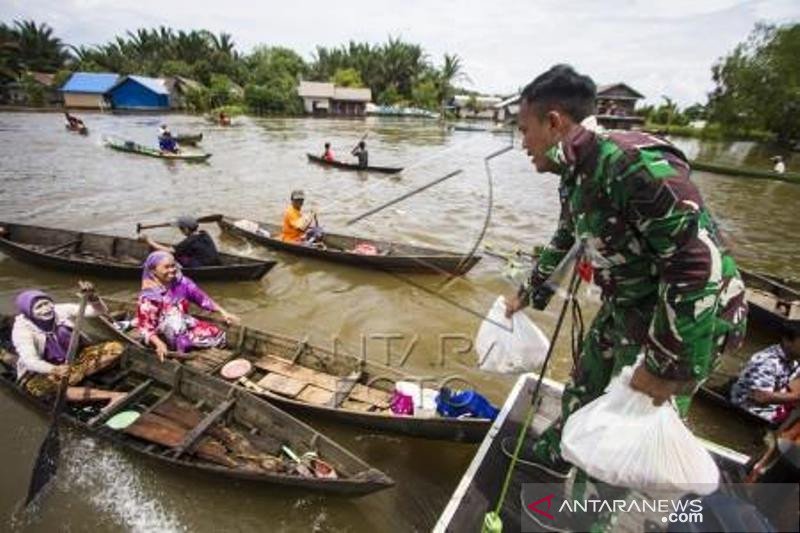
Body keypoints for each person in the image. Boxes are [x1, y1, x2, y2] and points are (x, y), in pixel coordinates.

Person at [503, 65, 747, 484]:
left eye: (524, 130)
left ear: (554, 121)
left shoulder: (631, 163)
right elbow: (567, 236)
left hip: (686, 318)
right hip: (630, 303)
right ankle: (562, 451)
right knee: (586, 381)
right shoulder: (575, 174)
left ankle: (589, 514)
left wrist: (665, 363)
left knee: (627, 433)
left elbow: (695, 262)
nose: (522, 143)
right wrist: (527, 293)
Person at [10, 283, 126, 404]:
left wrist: (93, 298)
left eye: (46, 303)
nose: (46, 309)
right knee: (42, 389)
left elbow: (97, 311)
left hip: (73, 361)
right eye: (39, 307)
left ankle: (77, 376)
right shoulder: (22, 330)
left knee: (114, 348)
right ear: (28, 312)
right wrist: (54, 369)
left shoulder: (59, 310)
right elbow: (30, 361)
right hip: (48, 372)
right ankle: (113, 395)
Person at [137, 251, 239, 361]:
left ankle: (184, 340)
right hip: (158, 331)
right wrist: (159, 344)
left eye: (173, 265)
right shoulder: (149, 296)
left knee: (217, 336)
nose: (172, 270)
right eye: (166, 267)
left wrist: (222, 312)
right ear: (153, 271)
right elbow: (146, 326)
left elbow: (202, 298)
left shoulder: (182, 283)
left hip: (181, 323)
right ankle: (179, 347)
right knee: (174, 320)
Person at [730, 325, 800, 424]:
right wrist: (796, 397)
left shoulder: (792, 362)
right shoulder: (767, 362)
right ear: (787, 340)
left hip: (770, 412)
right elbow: (760, 397)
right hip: (750, 415)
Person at [139, 216, 221, 268]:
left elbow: (170, 251)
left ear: (186, 229)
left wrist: (149, 241)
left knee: (166, 255)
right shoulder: (204, 233)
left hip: (201, 266)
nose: (180, 231)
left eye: (181, 229)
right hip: (215, 262)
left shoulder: (188, 241)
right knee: (182, 252)